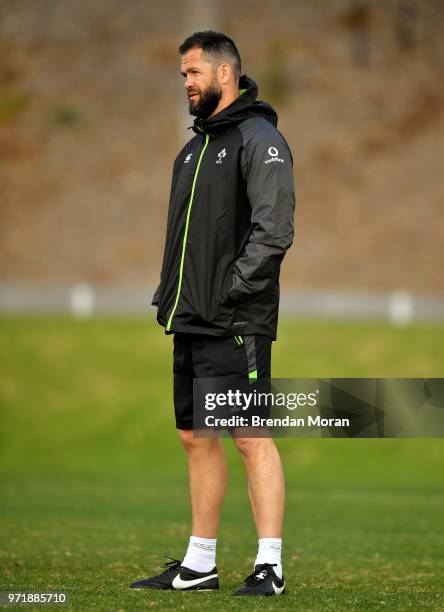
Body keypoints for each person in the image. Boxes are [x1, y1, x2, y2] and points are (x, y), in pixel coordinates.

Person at [130, 30, 295, 597]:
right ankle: (200, 565)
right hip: (190, 316)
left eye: (192, 73)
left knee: (249, 436)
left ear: (224, 73)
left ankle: (269, 566)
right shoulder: (193, 149)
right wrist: (169, 294)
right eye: (182, 75)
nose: (186, 84)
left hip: (236, 319)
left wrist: (232, 292)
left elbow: (274, 231)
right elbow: (185, 238)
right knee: (196, 436)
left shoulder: (260, 138)